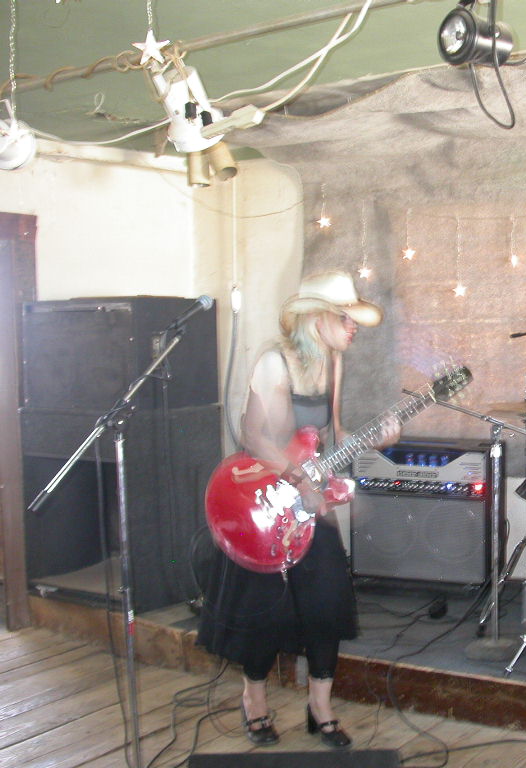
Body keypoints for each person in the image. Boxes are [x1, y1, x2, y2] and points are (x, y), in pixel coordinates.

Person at [198, 271, 398, 749]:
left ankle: (320, 708)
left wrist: (377, 439)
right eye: (345, 317)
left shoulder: (333, 362)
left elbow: (333, 436)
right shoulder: (275, 361)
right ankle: (254, 701)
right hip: (265, 502)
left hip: (310, 505)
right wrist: (299, 478)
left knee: (326, 603)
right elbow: (254, 437)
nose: (353, 327)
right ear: (317, 317)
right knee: (262, 610)